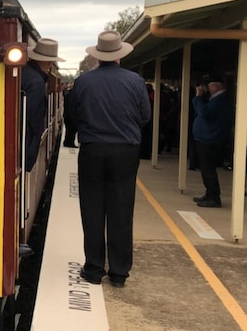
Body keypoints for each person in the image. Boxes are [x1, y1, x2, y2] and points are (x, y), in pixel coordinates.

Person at [66, 31, 150, 288]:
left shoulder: (83, 82)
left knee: (92, 209)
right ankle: (119, 272)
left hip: (92, 149)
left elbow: (71, 116)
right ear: (119, 57)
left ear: (98, 57)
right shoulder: (136, 82)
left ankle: (93, 269)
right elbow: (145, 116)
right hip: (125, 151)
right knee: (122, 209)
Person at [21, 38, 64, 170]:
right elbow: (29, 116)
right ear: (49, 62)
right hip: (24, 145)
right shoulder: (37, 82)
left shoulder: (25, 73)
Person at [191, 74, 233, 208]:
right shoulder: (216, 98)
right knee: (205, 169)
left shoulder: (221, 99)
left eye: (208, 86)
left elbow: (204, 113)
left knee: (208, 169)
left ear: (214, 86)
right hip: (206, 137)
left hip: (210, 139)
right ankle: (209, 193)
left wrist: (198, 97)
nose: (206, 89)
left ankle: (214, 197)